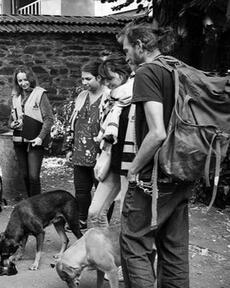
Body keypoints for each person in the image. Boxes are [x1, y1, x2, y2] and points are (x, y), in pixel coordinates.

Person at [120, 24, 194, 288]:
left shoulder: (147, 72)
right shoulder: (176, 68)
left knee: (134, 243)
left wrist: (133, 169)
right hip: (182, 171)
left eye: (127, 49)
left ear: (140, 46)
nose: (125, 56)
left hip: (154, 178)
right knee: (174, 249)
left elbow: (157, 133)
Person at [87, 54, 134, 228]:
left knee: (128, 218)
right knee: (95, 212)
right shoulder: (110, 100)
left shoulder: (137, 95)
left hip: (132, 164)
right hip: (113, 161)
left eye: (110, 78)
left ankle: (133, 254)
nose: (106, 84)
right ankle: (105, 252)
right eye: (104, 79)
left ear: (122, 73)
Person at [66, 59, 110, 229]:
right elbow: (72, 123)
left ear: (99, 77)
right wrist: (69, 147)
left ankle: (101, 223)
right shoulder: (82, 97)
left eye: (88, 79)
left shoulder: (108, 96)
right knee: (81, 191)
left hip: (100, 153)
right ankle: (81, 219)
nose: (84, 83)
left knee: (102, 191)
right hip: (80, 151)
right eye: (82, 79)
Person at [9, 66, 54, 197]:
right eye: (20, 81)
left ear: (31, 78)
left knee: (33, 176)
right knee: (24, 176)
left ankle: (37, 206)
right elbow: (10, 119)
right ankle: (29, 205)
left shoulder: (40, 94)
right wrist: (12, 124)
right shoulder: (15, 96)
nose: (23, 83)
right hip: (19, 141)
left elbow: (49, 119)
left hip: (35, 140)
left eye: (25, 79)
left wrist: (40, 137)